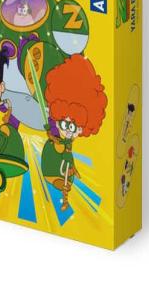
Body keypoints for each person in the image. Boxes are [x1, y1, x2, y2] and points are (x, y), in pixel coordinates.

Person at [41, 56, 107, 210]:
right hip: (53, 164)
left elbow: (67, 154)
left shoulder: (67, 144)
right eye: (64, 124)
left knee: (65, 181)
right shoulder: (57, 144)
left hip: (64, 169)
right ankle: (62, 191)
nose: (67, 131)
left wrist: (72, 168)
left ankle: (63, 191)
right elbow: (58, 153)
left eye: (72, 127)